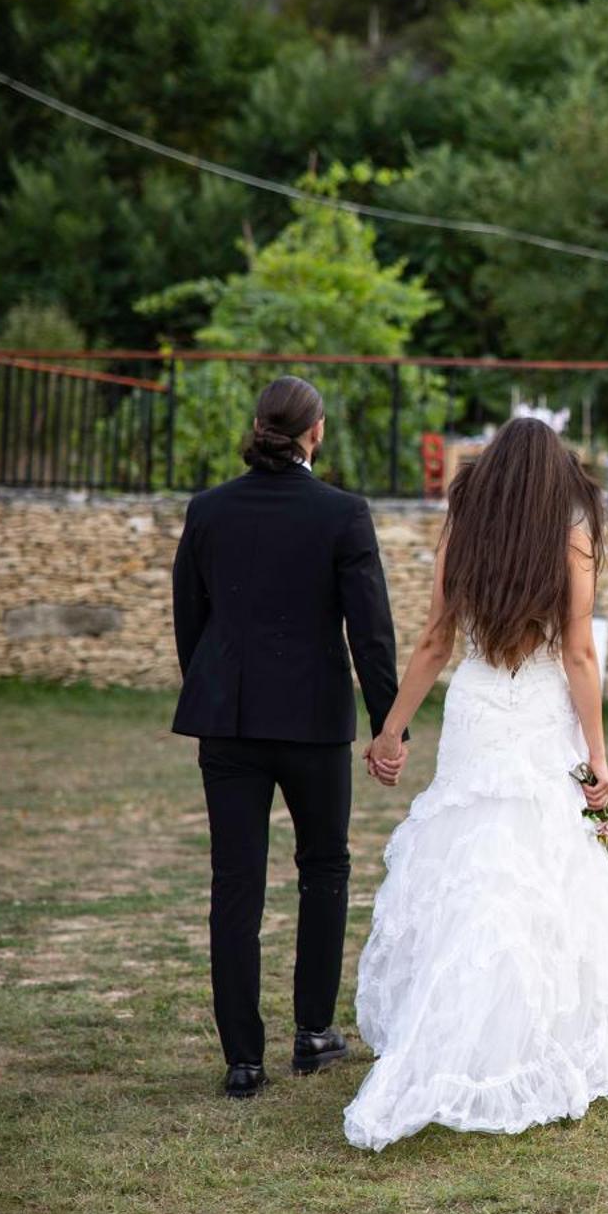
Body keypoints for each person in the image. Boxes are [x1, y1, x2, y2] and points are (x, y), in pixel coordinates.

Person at [343, 416, 608, 1152]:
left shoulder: (464, 526)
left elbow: (435, 639)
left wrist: (389, 730)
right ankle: (527, 1035)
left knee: (473, 863)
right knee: (537, 866)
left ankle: (457, 1024)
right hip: (540, 709)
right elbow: (578, 652)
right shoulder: (573, 531)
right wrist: (597, 757)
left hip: (478, 705)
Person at [171, 375, 400, 1099]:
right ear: (315, 432)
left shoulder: (209, 509)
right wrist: (386, 725)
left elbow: (191, 618)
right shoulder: (342, 513)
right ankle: (312, 1033)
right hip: (314, 722)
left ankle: (243, 1059)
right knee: (324, 868)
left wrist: (211, 690)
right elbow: (370, 628)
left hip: (230, 721)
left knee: (234, 884)